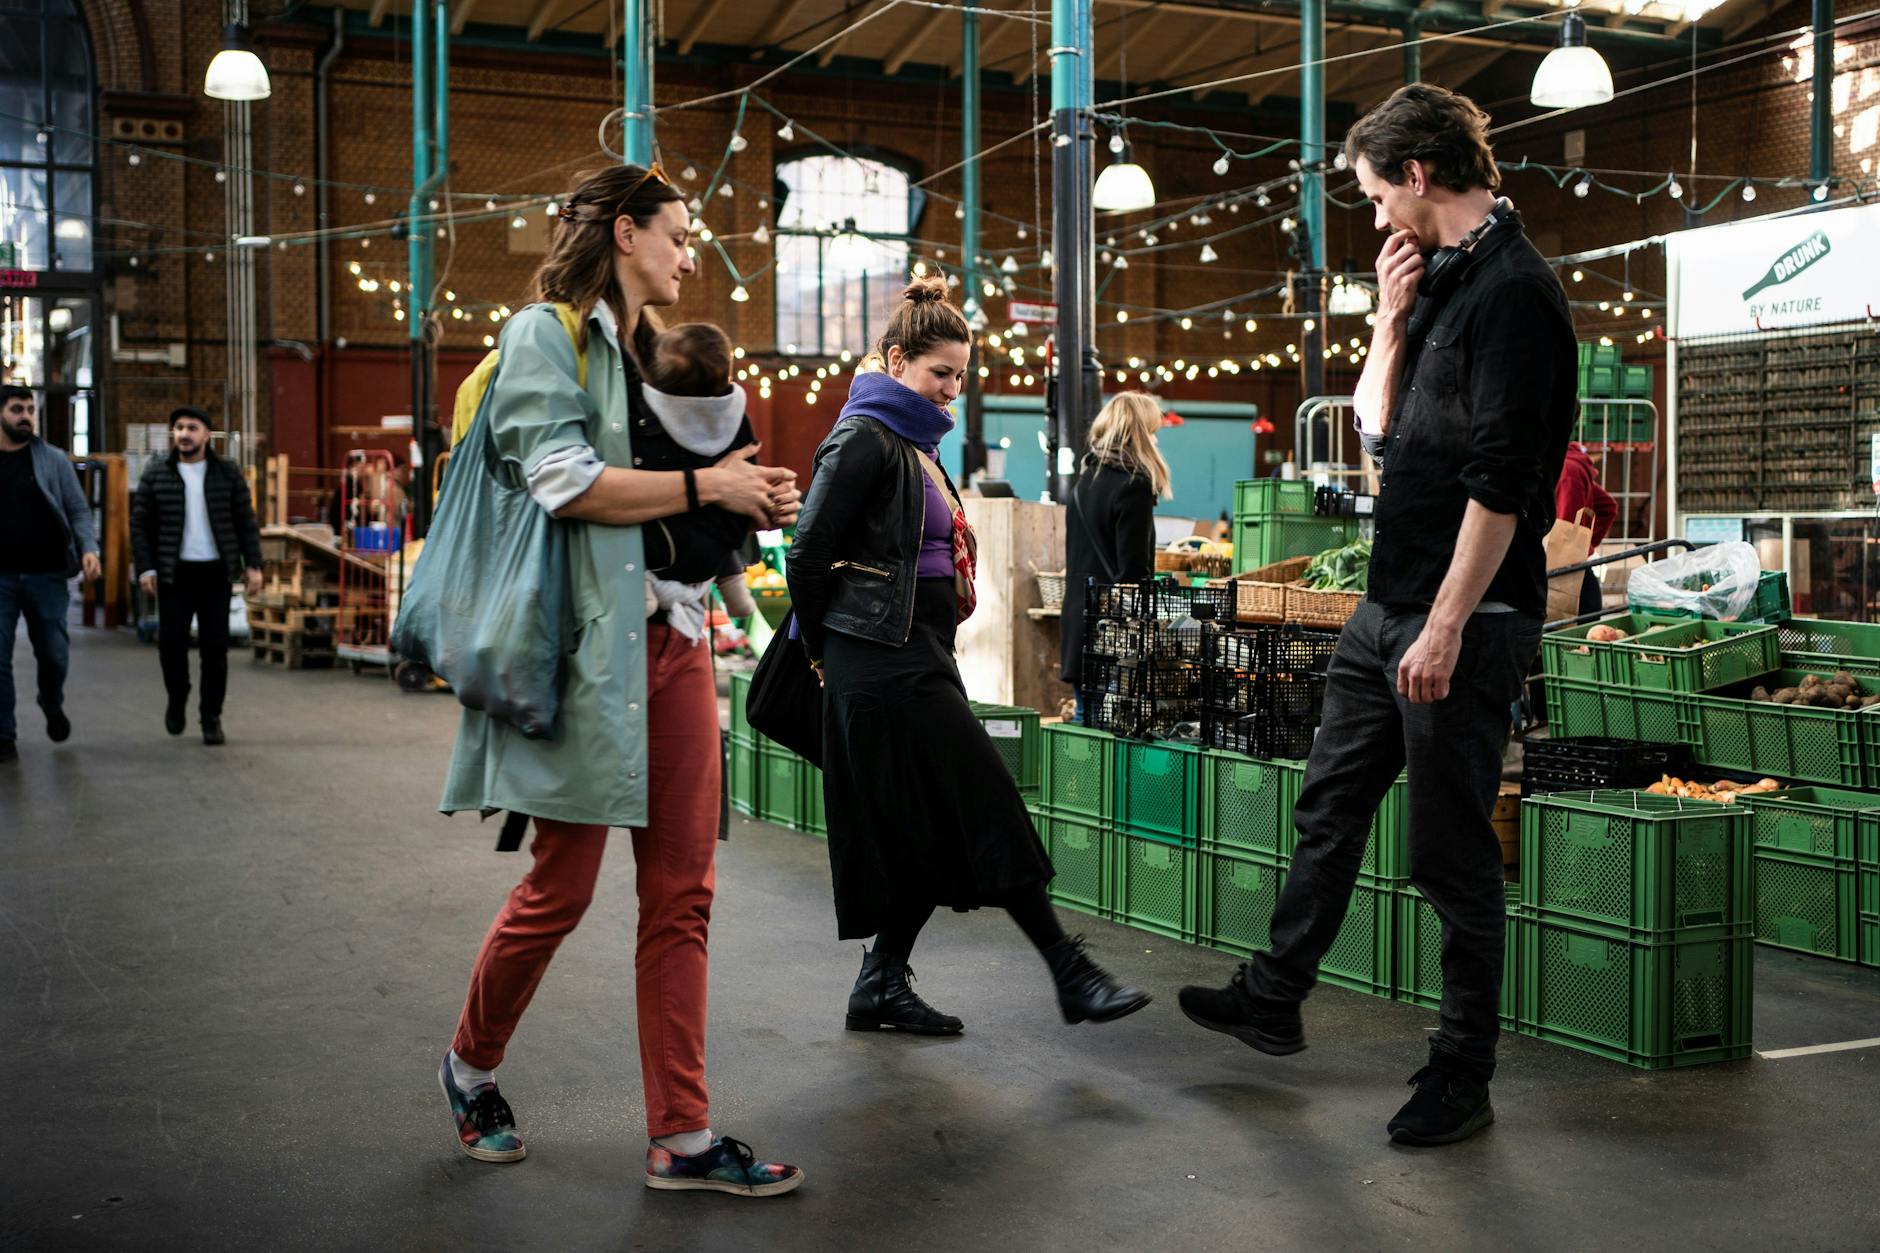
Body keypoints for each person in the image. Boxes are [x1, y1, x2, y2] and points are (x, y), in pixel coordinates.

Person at [1178, 84, 1576, 1146]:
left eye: (1369, 194)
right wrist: (1389, 319)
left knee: (1449, 855)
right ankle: (1273, 993)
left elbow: (1505, 487)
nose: (1369, 218)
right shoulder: (1437, 285)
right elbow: (1375, 429)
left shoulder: (1516, 296)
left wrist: (1446, 624)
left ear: (1415, 174)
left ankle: (1461, 1071)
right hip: (1379, 608)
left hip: (1464, 616)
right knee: (1328, 806)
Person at [435, 162, 804, 1198]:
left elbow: (665, 509)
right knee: (560, 886)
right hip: (583, 653)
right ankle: (469, 1064)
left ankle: (680, 1136)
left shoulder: (647, 357)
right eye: (678, 234)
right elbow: (560, 482)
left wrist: (741, 500)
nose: (689, 254)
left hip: (675, 640)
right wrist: (709, 480)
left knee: (681, 892)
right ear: (627, 231)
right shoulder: (541, 338)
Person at [788, 276, 1151, 1039]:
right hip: (877, 659)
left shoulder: (913, 444)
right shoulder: (863, 438)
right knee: (985, 794)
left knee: (928, 820)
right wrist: (823, 652)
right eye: (938, 374)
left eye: (959, 375)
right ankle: (1069, 968)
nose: (951, 389)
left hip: (915, 650)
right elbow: (808, 551)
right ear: (895, 360)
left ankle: (881, 982)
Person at [130, 406, 264, 747]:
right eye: (178, 428)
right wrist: (145, 567)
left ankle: (210, 717)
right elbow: (140, 525)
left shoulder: (227, 472)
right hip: (175, 574)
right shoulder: (157, 471)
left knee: (214, 650)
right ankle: (178, 696)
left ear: (207, 435)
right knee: (171, 647)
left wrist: (254, 565)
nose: (184, 434)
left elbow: (245, 521)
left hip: (215, 572)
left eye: (192, 428)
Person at [0, 384, 100, 764]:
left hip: (46, 576)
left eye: (30, 409)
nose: (26, 416)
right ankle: (4, 735)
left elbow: (77, 509)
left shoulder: (53, 460)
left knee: (55, 655)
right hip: (1, 578)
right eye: (16, 409)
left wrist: (89, 549)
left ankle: (51, 701)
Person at [1060, 391, 1171, 721]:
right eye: (1152, 430)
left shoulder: (1085, 480)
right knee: (1116, 729)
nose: (1155, 438)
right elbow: (1134, 570)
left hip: (1080, 619)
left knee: (1087, 726)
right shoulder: (1134, 484)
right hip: (1113, 632)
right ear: (1140, 433)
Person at [639, 321, 759, 624]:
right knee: (724, 521)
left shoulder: (652, 420)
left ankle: (643, 586)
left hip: (666, 549)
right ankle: (732, 581)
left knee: (641, 517)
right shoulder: (735, 418)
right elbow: (752, 470)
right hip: (720, 539)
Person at [1555, 442, 1617, 616]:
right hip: (1576, 570)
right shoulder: (1569, 465)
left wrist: (1584, 546)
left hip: (1566, 573)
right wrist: (1586, 545)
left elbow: (1565, 524)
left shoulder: (1567, 470)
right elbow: (1607, 506)